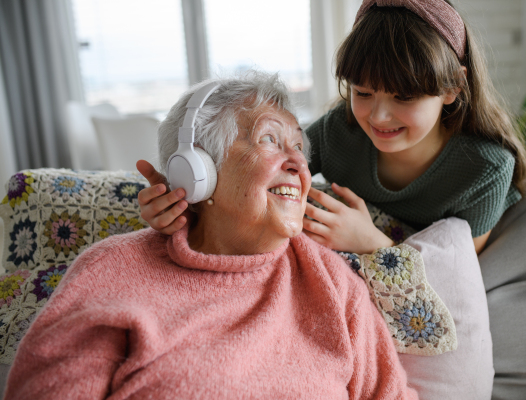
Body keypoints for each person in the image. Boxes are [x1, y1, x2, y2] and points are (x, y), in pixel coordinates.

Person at [3, 73, 418, 400]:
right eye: (270, 140)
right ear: (198, 171)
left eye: (299, 148)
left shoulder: (333, 283)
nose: (298, 164)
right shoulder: (111, 272)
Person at [136, 0, 526, 256]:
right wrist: (184, 202)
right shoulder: (338, 132)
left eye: (404, 98)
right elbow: (258, 175)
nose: (377, 117)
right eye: (362, 92)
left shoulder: (486, 170)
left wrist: (373, 244)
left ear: (453, 88)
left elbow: (460, 276)